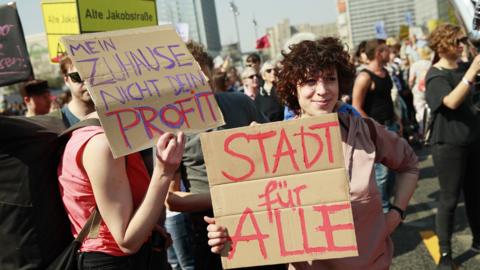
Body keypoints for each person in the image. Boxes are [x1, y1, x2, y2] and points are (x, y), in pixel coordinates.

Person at [205, 37, 419, 270]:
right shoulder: (270, 146)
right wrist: (226, 233)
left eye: (330, 79)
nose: (322, 90)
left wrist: (395, 214)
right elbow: (248, 215)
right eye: (309, 81)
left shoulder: (364, 131)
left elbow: (410, 165)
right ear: (292, 88)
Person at [166, 41, 284, 270]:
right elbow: (172, 198)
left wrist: (264, 140)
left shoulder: (240, 103)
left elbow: (279, 156)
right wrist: (227, 198)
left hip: (262, 224)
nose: (201, 80)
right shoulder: (170, 127)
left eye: (204, 72)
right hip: (210, 234)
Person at [425, 23, 480, 270]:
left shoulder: (467, 67)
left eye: (463, 40)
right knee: (449, 198)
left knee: (476, 195)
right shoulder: (435, 75)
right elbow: (452, 102)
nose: (461, 45)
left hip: (474, 140)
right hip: (448, 145)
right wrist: (471, 74)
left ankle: (478, 241)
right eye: (457, 41)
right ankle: (445, 253)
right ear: (443, 44)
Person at [352, 38, 400, 213]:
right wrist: (375, 128)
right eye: (386, 50)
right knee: (382, 175)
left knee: (394, 168)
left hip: (391, 126)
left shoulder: (385, 73)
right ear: (379, 53)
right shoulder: (364, 77)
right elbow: (356, 107)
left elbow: (387, 100)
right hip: (377, 131)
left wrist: (396, 119)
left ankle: (388, 206)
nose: (389, 53)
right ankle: (383, 211)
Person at [59, 55, 95, 127]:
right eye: (77, 77)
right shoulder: (60, 122)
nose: (86, 83)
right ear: (66, 80)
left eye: (92, 75)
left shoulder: (112, 114)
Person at [409, 46, 432, 136]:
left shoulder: (415, 65)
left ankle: (424, 131)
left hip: (418, 90)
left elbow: (411, 80)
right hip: (429, 88)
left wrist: (411, 87)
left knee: (420, 110)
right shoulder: (430, 63)